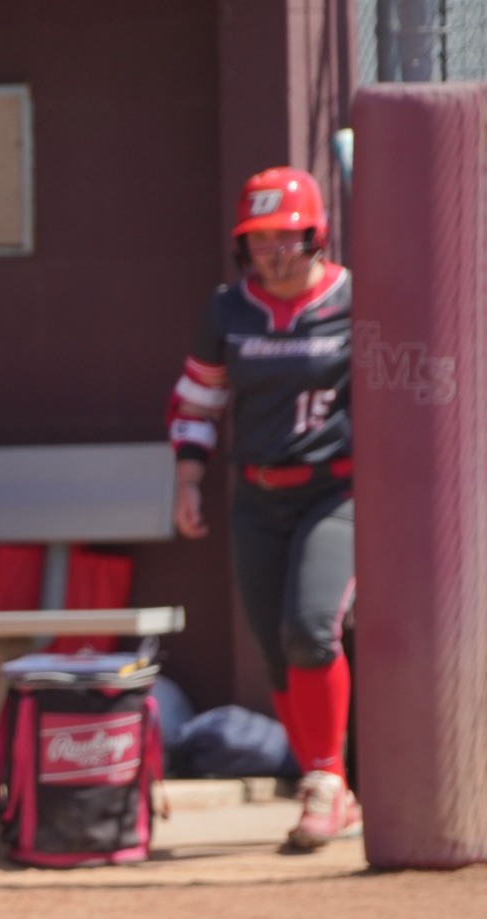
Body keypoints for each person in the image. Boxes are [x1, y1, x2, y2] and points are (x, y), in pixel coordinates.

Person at [169, 166, 358, 851]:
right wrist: (188, 480)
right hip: (255, 493)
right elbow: (199, 400)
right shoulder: (229, 310)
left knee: (310, 627)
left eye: (285, 238)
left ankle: (327, 781)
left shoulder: (353, 299)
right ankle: (323, 779)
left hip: (336, 489)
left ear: (315, 236)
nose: (272, 253)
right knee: (278, 653)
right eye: (258, 240)